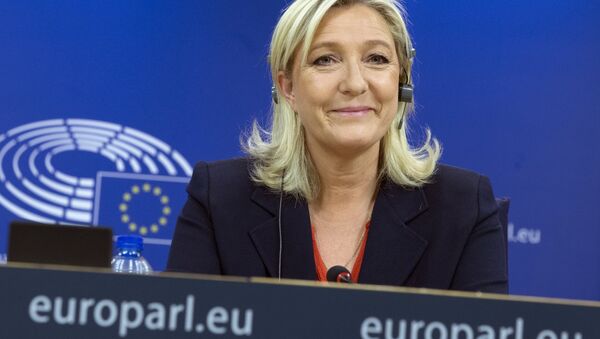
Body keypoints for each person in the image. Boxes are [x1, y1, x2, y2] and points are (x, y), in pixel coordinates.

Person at [167, 0, 508, 293]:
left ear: (401, 81)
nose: (355, 83)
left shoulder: (464, 207)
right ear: (288, 88)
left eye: (376, 59)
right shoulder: (219, 199)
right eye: (325, 60)